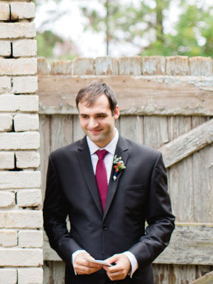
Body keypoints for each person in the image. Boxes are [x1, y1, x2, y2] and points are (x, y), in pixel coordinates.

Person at [43, 81, 175, 283]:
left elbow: (163, 221)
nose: (92, 124)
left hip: (134, 278)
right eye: (85, 116)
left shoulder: (148, 160)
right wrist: (74, 254)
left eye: (100, 116)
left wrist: (132, 258)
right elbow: (53, 220)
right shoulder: (61, 161)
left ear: (116, 112)